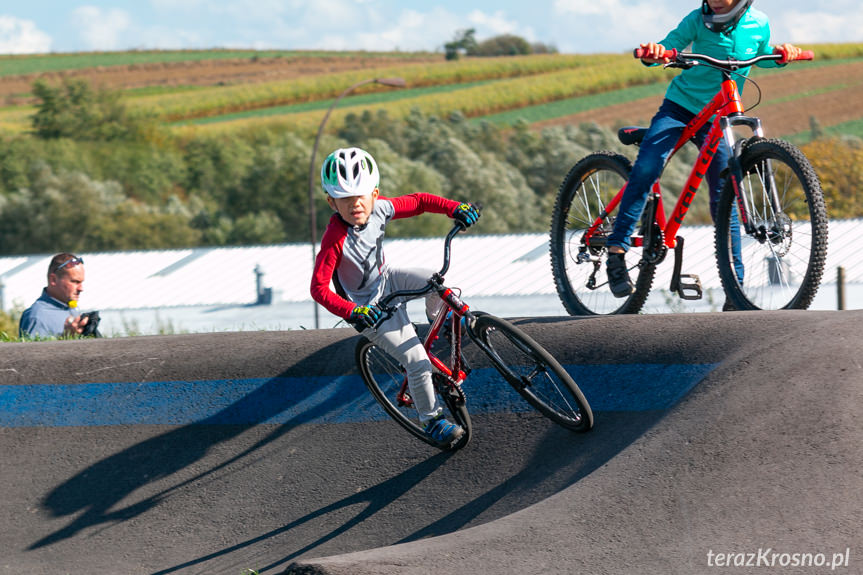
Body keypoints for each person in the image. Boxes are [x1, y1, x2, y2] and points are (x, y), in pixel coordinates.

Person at [605, 0, 804, 306]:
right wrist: (655, 53)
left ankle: (734, 286)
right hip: (679, 108)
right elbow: (668, 45)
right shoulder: (697, 19)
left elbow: (761, 53)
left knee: (724, 192)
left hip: (718, 115)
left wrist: (781, 55)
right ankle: (617, 250)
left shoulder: (758, 22)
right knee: (647, 168)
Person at [310, 147, 480, 445]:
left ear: (375, 194)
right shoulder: (334, 238)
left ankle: (438, 316)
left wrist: (455, 208)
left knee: (436, 282)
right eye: (344, 199)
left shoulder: (380, 208)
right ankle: (432, 420)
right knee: (416, 362)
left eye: (360, 196)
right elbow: (319, 289)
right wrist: (353, 312)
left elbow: (419, 201)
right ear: (331, 202)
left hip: (388, 280)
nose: (354, 204)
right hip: (366, 307)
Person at [19, 253, 95, 338]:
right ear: (53, 279)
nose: (81, 289)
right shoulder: (36, 317)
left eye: (81, 282)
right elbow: (31, 351)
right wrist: (66, 337)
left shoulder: (71, 308)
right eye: (75, 282)